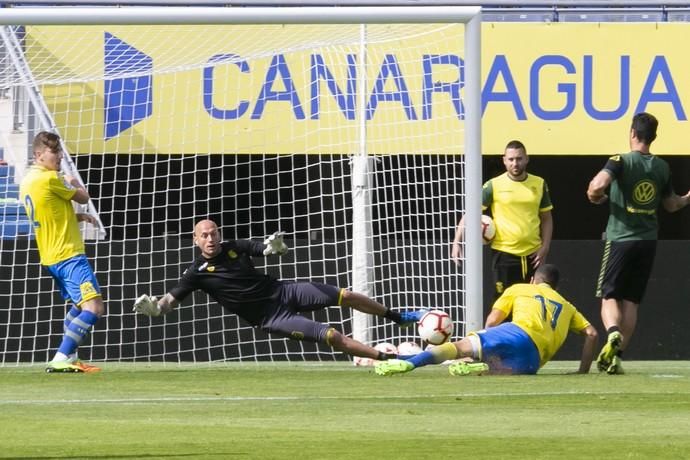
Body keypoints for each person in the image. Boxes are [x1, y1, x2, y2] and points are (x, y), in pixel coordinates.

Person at [133, 219, 426, 362]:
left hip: (284, 292)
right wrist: (155, 308)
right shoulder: (196, 274)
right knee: (332, 335)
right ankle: (387, 359)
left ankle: (397, 316)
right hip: (271, 318)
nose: (211, 239)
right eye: (205, 235)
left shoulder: (236, 247)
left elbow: (267, 249)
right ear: (195, 240)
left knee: (345, 295)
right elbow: (167, 303)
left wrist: (276, 248)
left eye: (214, 233)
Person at [586, 112, 690, 375]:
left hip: (620, 238)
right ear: (653, 137)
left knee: (609, 295)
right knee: (631, 301)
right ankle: (617, 358)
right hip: (648, 241)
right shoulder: (662, 167)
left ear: (632, 132)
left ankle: (612, 334)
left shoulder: (620, 161)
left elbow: (597, 184)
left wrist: (595, 196)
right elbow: (672, 204)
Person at [374, 264, 598, 376]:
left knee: (457, 348)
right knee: (498, 372)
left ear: (533, 280)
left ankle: (410, 362)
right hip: (533, 359)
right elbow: (592, 334)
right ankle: (480, 367)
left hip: (515, 332)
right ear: (556, 287)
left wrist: (482, 342)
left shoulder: (520, 288)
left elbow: (493, 320)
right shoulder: (567, 306)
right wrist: (583, 371)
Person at [19, 131, 103, 373]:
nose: (58, 156)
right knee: (94, 307)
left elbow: (50, 215)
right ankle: (61, 356)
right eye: (53, 152)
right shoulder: (50, 178)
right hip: (68, 254)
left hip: (51, 255)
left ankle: (71, 357)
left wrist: (77, 216)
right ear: (38, 154)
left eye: (59, 151)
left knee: (79, 305)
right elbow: (84, 196)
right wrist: (73, 180)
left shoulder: (28, 181)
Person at [451, 140, 553, 300]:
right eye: (511, 159)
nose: (515, 163)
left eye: (519, 159)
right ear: (504, 160)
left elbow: (546, 218)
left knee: (532, 304)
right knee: (503, 304)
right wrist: (457, 241)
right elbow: (470, 213)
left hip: (533, 254)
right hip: (504, 253)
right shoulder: (493, 185)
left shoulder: (539, 183)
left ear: (527, 159)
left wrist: (545, 246)